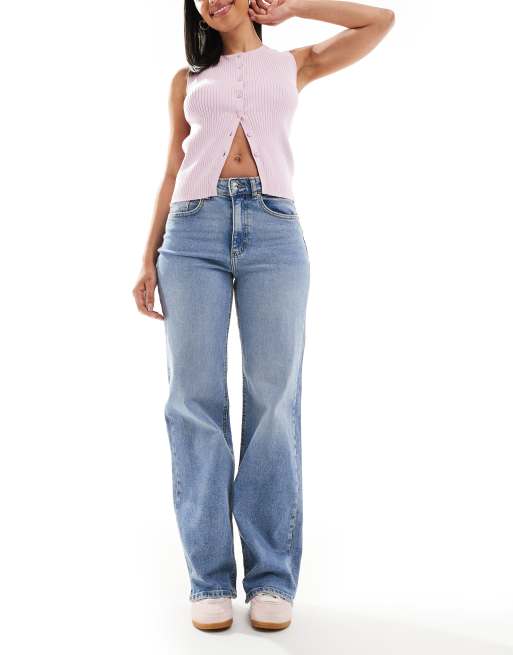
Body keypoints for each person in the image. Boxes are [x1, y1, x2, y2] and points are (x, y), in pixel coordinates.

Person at [133, 0, 394, 632]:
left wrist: (295, 8)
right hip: (191, 234)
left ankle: (272, 577)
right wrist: (147, 257)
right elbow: (172, 168)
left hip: (274, 232)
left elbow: (379, 22)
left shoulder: (293, 64)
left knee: (274, 398)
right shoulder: (188, 80)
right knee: (193, 400)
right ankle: (209, 579)